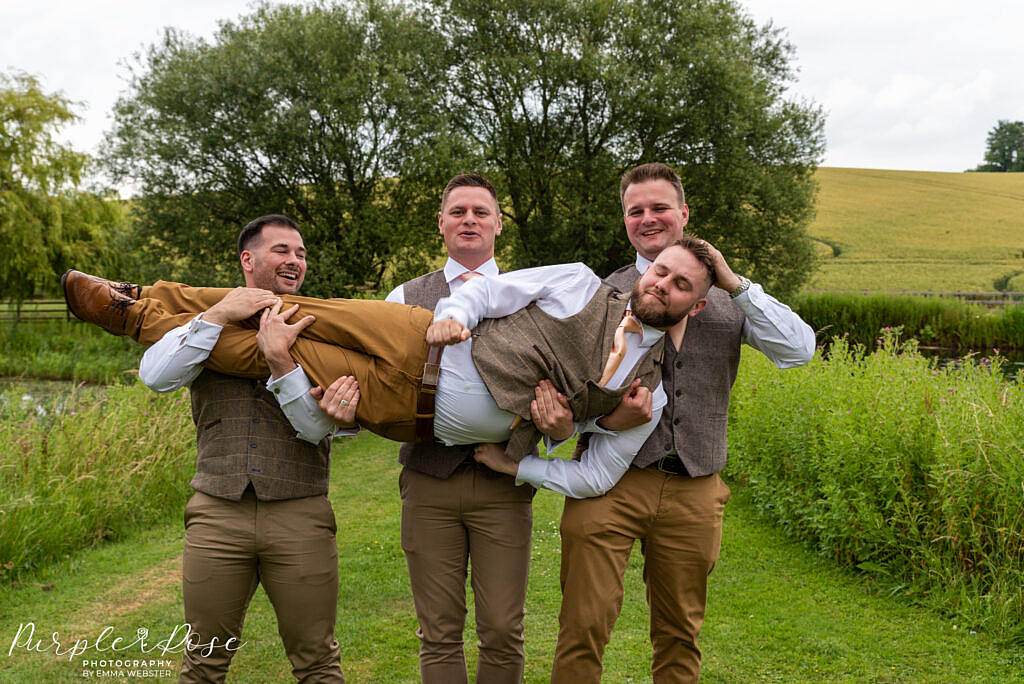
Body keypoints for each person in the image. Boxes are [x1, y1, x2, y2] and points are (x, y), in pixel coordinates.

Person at [61, 234, 719, 471]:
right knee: (285, 309)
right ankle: (142, 303)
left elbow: (593, 467)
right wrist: (452, 318)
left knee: (265, 350)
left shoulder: (647, 393)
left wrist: (552, 440)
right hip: (409, 335)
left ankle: (135, 317)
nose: (658, 282)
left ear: (697, 305)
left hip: (409, 410)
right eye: (658, 269)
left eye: (677, 283)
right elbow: (488, 293)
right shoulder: (579, 281)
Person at [546, 163, 816, 683]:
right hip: (608, 484)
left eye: (659, 207)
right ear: (625, 220)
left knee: (679, 635)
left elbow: (799, 350)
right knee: (582, 626)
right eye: (635, 211)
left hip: (695, 488)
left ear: (683, 214)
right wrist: (604, 421)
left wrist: (732, 281)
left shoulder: (729, 298)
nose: (647, 219)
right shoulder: (599, 294)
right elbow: (570, 398)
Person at [130, 215, 350, 682]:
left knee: (317, 661)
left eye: (301, 253)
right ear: (248, 260)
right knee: (204, 662)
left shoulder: (323, 329)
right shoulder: (202, 321)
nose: (295, 261)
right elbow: (156, 377)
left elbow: (315, 429)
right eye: (283, 251)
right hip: (216, 511)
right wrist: (217, 316)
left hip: (301, 511)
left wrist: (279, 358)